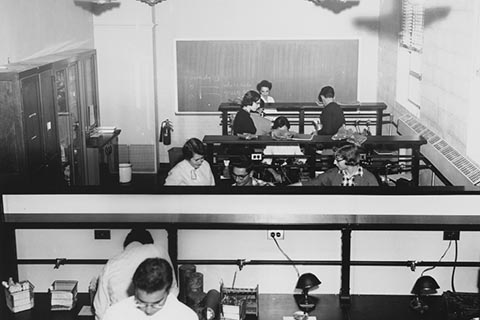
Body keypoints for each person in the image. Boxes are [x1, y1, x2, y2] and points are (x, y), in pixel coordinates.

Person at [94, 229, 178, 320]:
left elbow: (100, 309)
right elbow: (173, 292)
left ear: (126, 245)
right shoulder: (158, 250)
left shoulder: (111, 264)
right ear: (149, 242)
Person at [102, 258, 197, 320]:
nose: (148, 310)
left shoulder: (186, 316)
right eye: (141, 302)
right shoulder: (114, 315)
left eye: (157, 303)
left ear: (167, 291)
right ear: (134, 290)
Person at [291, 143, 379, 186]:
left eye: (338, 160)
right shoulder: (333, 174)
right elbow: (310, 184)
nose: (334, 163)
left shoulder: (369, 179)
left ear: (349, 160)